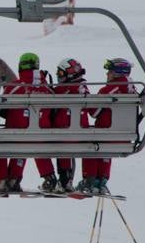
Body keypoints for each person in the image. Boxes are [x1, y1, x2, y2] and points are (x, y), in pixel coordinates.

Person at [0, 52, 55, 195]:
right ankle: (49, 176)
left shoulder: (14, 87)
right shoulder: (49, 89)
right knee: (34, 141)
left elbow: (2, 111)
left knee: (6, 140)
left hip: (16, 136)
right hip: (42, 137)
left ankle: (4, 179)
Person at [80, 57, 135, 195]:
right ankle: (101, 180)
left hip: (106, 133)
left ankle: (90, 180)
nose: (107, 74)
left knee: (90, 143)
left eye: (109, 71)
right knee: (104, 147)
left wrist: (87, 102)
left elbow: (94, 112)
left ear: (117, 73)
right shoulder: (133, 90)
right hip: (125, 136)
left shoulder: (109, 90)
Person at [46, 57, 89, 193]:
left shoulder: (63, 90)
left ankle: (64, 179)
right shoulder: (83, 88)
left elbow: (49, 99)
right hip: (81, 132)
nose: (59, 77)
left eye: (60, 74)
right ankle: (69, 180)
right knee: (65, 146)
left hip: (63, 133)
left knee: (62, 147)